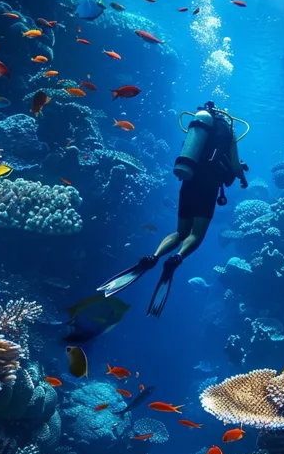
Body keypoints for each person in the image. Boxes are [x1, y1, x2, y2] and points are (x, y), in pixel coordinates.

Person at [98, 101, 249, 315]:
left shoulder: (198, 125)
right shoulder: (228, 130)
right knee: (196, 235)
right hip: (209, 186)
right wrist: (241, 175)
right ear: (223, 115)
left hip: (189, 181)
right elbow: (234, 166)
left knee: (180, 232)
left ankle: (153, 256)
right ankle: (176, 259)